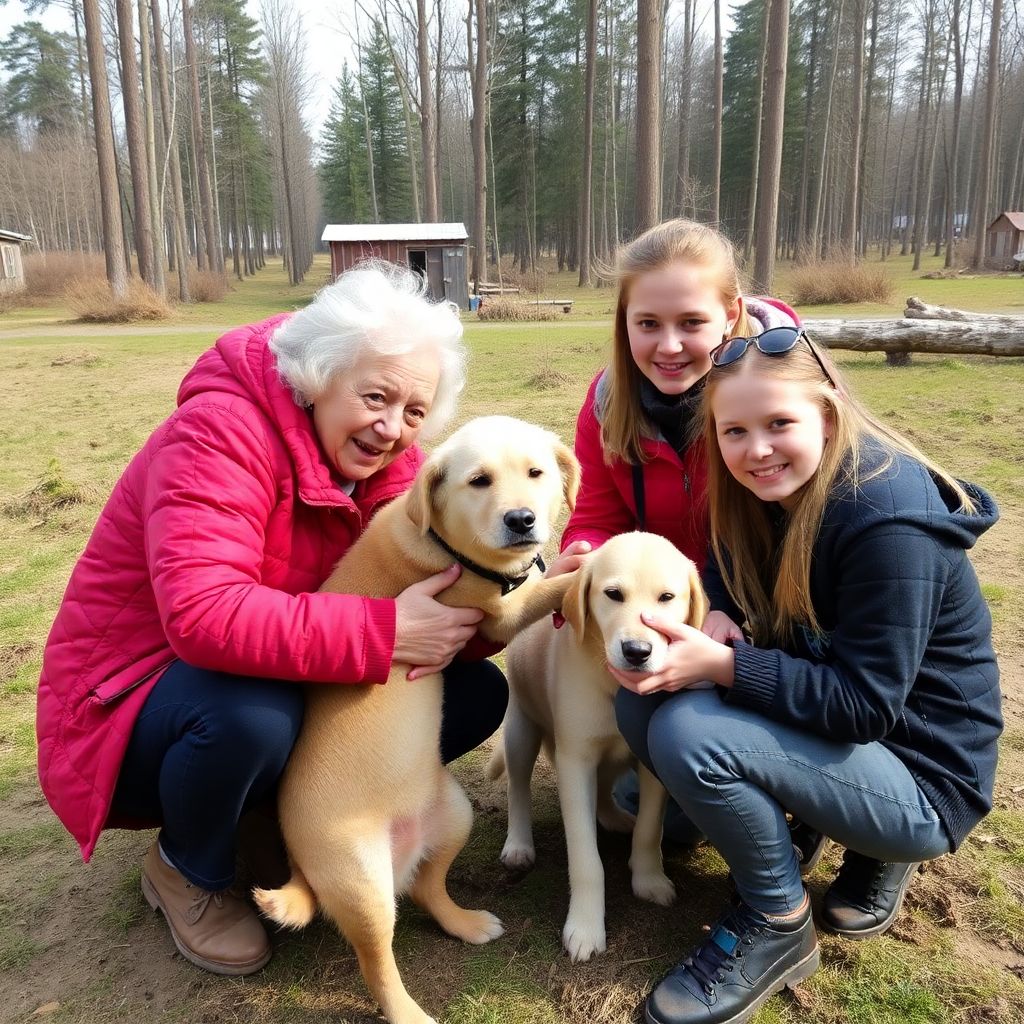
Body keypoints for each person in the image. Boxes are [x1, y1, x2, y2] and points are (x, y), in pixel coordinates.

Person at [36, 262, 521, 977]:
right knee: (253, 717)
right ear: (319, 375)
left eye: (415, 411)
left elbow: (439, 613)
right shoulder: (218, 432)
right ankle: (186, 867)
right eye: (375, 396)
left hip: (276, 668)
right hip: (134, 701)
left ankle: (276, 816)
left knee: (472, 692)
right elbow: (203, 615)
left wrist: (497, 594)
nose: (391, 427)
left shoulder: (395, 469)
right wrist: (387, 631)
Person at [613, 326, 1002, 1024]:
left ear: (826, 414)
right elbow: (723, 565)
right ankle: (782, 820)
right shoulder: (761, 491)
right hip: (841, 732)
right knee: (642, 701)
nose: (756, 450)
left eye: (778, 424)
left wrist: (726, 665)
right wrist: (720, 612)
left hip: (921, 775)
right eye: (734, 432)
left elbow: (864, 706)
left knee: (690, 736)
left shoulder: (887, 522)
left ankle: (778, 921)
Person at [560, 218, 801, 842]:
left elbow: (804, 530)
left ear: (731, 314)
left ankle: (821, 804)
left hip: (775, 611)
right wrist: (585, 557)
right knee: (666, 816)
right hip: (665, 610)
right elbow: (597, 515)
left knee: (711, 758)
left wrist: (727, 606)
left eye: (691, 322)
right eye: (648, 324)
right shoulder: (607, 403)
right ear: (624, 322)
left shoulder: (779, 394)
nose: (669, 346)